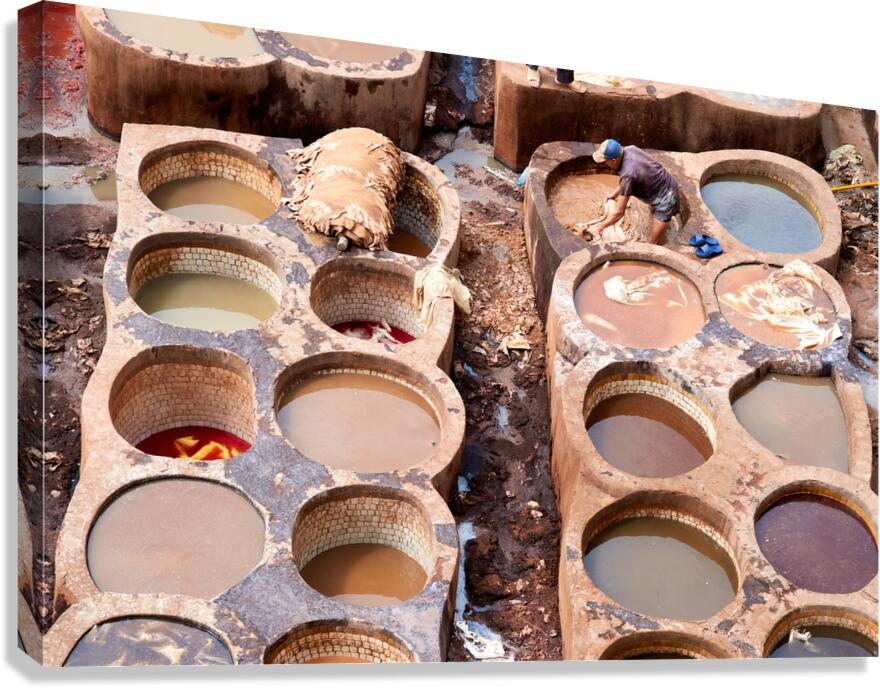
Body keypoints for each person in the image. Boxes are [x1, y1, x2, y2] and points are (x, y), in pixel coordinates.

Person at [590, 138, 681, 244]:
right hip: (666, 181)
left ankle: (661, 230)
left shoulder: (627, 174)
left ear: (613, 161)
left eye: (605, 162)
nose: (605, 164)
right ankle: (661, 226)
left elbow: (619, 212)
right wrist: (612, 195)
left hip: (667, 199)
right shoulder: (630, 149)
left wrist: (599, 227)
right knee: (652, 213)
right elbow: (627, 182)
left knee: (650, 243)